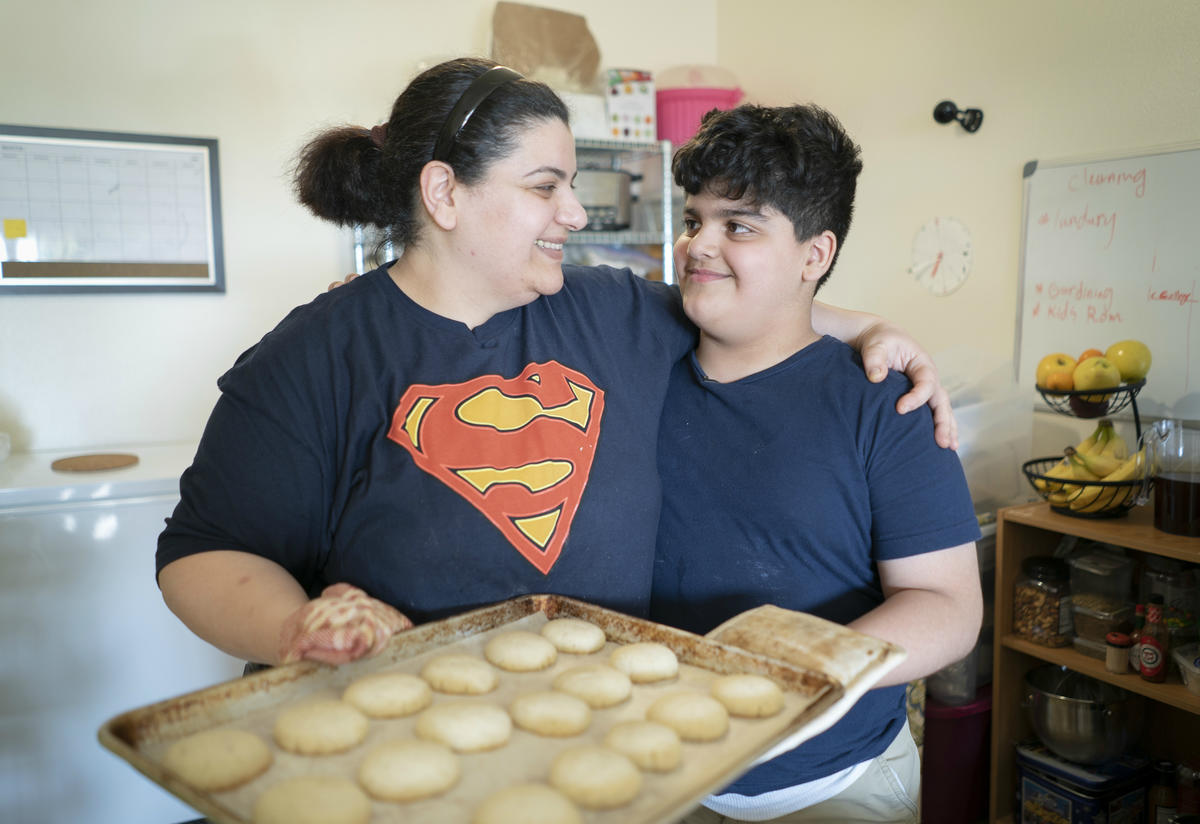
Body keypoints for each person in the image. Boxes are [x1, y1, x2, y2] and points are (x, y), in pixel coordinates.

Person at [156, 57, 956, 670]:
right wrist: (294, 625)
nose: (573, 213)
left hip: (604, 745)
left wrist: (878, 329)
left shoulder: (610, 312)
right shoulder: (317, 354)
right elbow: (201, 554)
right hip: (405, 745)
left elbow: (752, 307)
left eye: (571, 185)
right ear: (444, 194)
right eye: (546, 187)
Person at [650, 104, 982, 824]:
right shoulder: (642, 364)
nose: (699, 244)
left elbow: (951, 608)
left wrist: (791, 669)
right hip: (662, 770)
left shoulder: (883, 401)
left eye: (738, 225)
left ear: (815, 254)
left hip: (835, 783)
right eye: (694, 218)